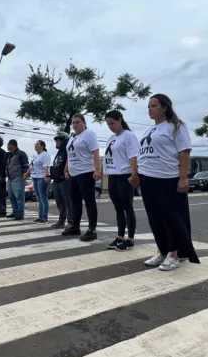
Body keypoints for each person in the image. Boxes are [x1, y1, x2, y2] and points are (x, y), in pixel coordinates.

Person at [136, 93, 200, 271]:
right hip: (148, 179)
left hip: (167, 178)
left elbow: (184, 152)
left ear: (165, 107)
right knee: (155, 219)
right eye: (148, 106)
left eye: (154, 105)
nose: (150, 109)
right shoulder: (149, 131)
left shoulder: (176, 126)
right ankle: (163, 250)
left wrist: (183, 177)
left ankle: (174, 254)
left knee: (170, 218)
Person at [103, 110, 139, 251]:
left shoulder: (129, 136)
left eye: (112, 123)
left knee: (127, 207)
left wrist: (134, 174)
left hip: (125, 176)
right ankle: (120, 237)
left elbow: (133, 156)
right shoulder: (111, 138)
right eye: (108, 124)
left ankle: (130, 239)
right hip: (113, 176)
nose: (110, 126)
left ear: (120, 120)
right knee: (118, 208)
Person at [63, 115, 101, 241]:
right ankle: (75, 226)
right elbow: (69, 154)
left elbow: (95, 152)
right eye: (73, 123)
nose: (75, 125)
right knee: (75, 202)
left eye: (78, 122)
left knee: (89, 202)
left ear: (84, 123)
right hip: (73, 174)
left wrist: (97, 170)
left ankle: (92, 230)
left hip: (85, 172)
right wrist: (66, 168)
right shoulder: (73, 137)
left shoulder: (88, 134)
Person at [24, 140, 51, 223]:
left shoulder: (45, 155)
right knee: (39, 198)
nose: (35, 145)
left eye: (37, 144)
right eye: (35, 144)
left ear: (42, 146)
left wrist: (46, 176)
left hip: (41, 178)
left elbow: (46, 166)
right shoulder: (36, 156)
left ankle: (44, 216)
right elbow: (31, 166)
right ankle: (40, 216)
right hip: (35, 178)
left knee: (43, 198)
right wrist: (26, 174)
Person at [50, 132, 72, 229]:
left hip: (64, 180)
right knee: (59, 202)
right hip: (56, 181)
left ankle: (71, 221)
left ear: (64, 141)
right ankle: (61, 220)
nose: (57, 143)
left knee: (68, 202)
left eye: (58, 141)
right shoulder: (59, 152)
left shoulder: (68, 151)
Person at [6, 139, 29, 220]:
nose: (7, 146)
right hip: (10, 178)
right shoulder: (10, 155)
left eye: (8, 144)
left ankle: (20, 213)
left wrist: (25, 174)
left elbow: (26, 165)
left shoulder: (21, 154)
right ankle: (15, 211)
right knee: (11, 196)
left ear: (12, 145)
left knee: (19, 196)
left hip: (18, 177)